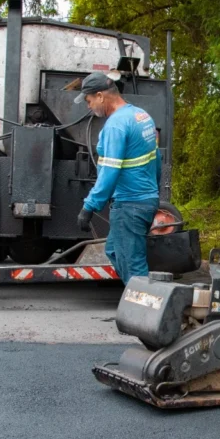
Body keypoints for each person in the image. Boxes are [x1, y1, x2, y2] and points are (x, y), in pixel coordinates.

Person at [74, 71, 160, 284]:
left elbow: (109, 172)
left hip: (130, 204)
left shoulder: (115, 125)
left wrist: (89, 207)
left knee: (133, 268)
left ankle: (144, 311)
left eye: (89, 100)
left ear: (101, 96)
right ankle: (140, 304)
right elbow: (156, 159)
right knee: (113, 250)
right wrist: (153, 193)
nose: (89, 106)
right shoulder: (141, 116)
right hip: (145, 200)